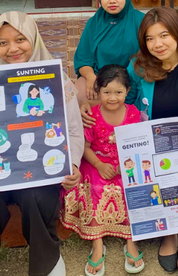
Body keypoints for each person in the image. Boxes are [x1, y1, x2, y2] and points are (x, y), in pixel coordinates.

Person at [0, 11, 85, 276]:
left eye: (20, 39)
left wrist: (73, 163)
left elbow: (74, 132)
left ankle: (46, 261)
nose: (12, 49)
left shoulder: (57, 80)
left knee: (38, 194)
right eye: (3, 42)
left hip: (38, 159)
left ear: (33, 38)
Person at [82, 7, 178, 276]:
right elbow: (123, 102)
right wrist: (88, 107)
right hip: (146, 137)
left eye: (164, 35)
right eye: (150, 38)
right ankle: (168, 234)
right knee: (151, 168)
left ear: (177, 34)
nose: (157, 44)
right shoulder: (139, 66)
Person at [61, 64, 144, 275]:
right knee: (94, 187)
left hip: (124, 164)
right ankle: (97, 244)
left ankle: (131, 240)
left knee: (134, 186)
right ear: (98, 92)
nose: (113, 98)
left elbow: (138, 146)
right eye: (106, 92)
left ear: (127, 91)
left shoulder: (133, 114)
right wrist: (99, 164)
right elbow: (85, 147)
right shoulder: (92, 115)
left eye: (118, 92)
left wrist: (121, 166)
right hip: (95, 163)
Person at [73, 0, 144, 101]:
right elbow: (83, 59)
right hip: (100, 81)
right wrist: (90, 77)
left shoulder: (140, 21)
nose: (112, 0)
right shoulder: (94, 23)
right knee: (79, 98)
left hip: (134, 80)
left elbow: (149, 57)